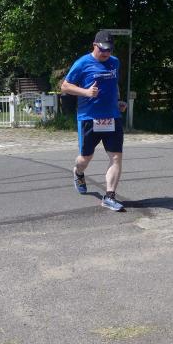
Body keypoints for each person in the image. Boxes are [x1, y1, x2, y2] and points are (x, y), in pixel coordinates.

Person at [60, 30, 128, 211]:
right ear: (94, 45)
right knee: (85, 158)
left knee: (116, 157)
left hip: (112, 117)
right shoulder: (82, 63)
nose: (106, 53)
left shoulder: (114, 62)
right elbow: (65, 86)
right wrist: (86, 92)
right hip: (89, 118)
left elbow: (113, 84)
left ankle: (109, 196)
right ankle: (78, 172)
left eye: (109, 50)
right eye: (102, 49)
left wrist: (117, 101)